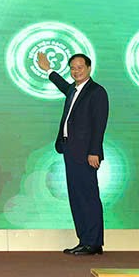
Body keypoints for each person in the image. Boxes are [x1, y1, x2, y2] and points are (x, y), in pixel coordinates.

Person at [36, 51, 108, 256]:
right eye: (73, 68)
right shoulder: (72, 90)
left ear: (89, 68)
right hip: (70, 150)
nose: (76, 71)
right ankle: (84, 240)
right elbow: (62, 84)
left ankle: (93, 242)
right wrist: (48, 69)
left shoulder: (97, 91)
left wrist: (94, 151)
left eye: (80, 67)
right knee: (76, 197)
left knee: (88, 196)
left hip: (86, 154)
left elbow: (99, 124)